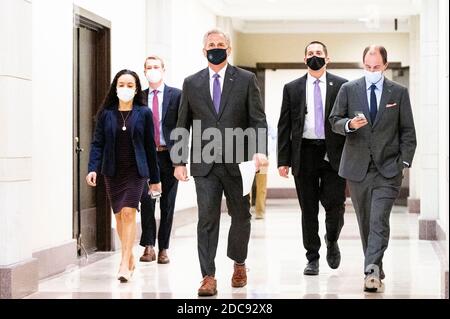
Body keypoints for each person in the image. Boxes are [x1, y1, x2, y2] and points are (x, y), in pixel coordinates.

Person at [173, 29, 268, 296]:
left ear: (229, 49)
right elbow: (182, 123)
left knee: (241, 216)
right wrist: (179, 161)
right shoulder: (191, 83)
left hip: (239, 162)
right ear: (204, 51)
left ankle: (239, 263)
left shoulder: (246, 80)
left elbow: (257, 119)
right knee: (207, 219)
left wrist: (259, 150)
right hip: (205, 164)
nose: (216, 48)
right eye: (211, 45)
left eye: (221, 44)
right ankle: (208, 276)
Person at [329, 45, 416, 292]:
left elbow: (408, 131)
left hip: (388, 169)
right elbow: (334, 121)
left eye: (376, 67)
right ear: (363, 65)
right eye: (368, 67)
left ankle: (371, 272)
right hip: (357, 169)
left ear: (385, 66)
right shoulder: (348, 89)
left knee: (379, 219)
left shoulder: (398, 93)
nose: (372, 70)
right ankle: (375, 262)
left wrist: (404, 162)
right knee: (365, 221)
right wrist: (349, 124)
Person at [277, 41, 348, 276]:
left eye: (318, 53)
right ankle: (312, 257)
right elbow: (284, 125)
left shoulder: (341, 86)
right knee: (308, 209)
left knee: (335, 205)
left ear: (327, 58)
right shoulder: (292, 88)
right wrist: (283, 160)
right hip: (304, 153)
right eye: (310, 53)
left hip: (333, 153)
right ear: (304, 58)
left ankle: (332, 239)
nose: (314, 56)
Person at [86, 69, 161, 282]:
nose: (125, 88)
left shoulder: (144, 113)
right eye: (122, 84)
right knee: (119, 215)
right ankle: (128, 258)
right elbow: (97, 143)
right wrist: (93, 168)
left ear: (136, 88)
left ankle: (124, 261)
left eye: (130, 85)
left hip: (135, 171)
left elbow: (149, 146)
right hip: (112, 171)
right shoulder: (106, 113)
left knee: (129, 213)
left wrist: (155, 179)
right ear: (115, 87)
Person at [139, 56, 182, 264]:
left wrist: (180, 162)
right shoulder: (139, 97)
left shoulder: (177, 95)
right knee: (147, 201)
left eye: (156, 67)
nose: (152, 70)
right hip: (147, 156)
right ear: (144, 71)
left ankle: (163, 247)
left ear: (163, 70)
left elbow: (183, 128)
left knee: (167, 204)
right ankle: (148, 246)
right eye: (149, 67)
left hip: (169, 155)